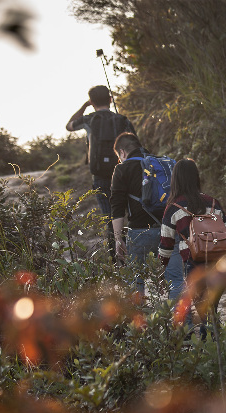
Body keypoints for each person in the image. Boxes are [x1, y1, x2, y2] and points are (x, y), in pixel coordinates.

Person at [158, 159, 226, 328]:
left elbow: (166, 244)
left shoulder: (173, 207)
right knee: (210, 310)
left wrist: (160, 266)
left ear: (175, 179)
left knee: (205, 312)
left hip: (194, 265)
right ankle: (217, 346)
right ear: (196, 177)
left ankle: (211, 348)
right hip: (219, 264)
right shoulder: (213, 203)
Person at [110, 132, 184, 301]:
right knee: (176, 281)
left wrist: (117, 238)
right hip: (169, 229)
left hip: (139, 232)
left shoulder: (122, 169)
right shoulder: (162, 164)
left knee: (135, 283)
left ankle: (140, 324)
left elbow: (117, 206)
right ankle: (183, 324)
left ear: (122, 152)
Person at [66, 85, 135, 258]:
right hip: (123, 173)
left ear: (92, 101)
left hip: (100, 176)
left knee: (109, 217)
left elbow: (69, 126)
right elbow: (135, 145)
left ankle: (116, 257)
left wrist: (84, 106)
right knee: (130, 214)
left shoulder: (88, 119)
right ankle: (134, 254)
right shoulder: (122, 120)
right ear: (110, 99)